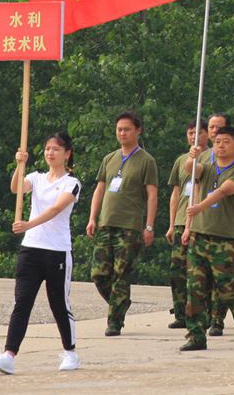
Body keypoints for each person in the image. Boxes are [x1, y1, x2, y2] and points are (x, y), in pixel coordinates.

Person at [0, 133, 82, 375]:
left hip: (57, 251)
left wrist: (29, 224)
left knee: (58, 303)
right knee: (22, 301)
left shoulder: (72, 183)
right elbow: (16, 188)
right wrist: (20, 165)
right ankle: (8, 355)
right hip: (31, 249)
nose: (50, 153)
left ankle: (70, 352)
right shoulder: (36, 178)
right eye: (48, 149)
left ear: (67, 153)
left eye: (56, 149)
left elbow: (56, 208)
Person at [179, 125, 234, 350]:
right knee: (195, 288)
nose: (221, 146)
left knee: (225, 286)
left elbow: (223, 191)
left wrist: (199, 207)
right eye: (217, 142)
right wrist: (192, 157)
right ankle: (196, 335)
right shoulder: (207, 168)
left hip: (223, 239)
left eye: (226, 142)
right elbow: (191, 169)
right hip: (199, 235)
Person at [86, 111, 158, 337]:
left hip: (129, 226)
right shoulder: (109, 158)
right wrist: (92, 217)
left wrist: (149, 226)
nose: (122, 133)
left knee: (121, 274)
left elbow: (152, 195)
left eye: (127, 129)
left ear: (138, 131)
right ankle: (120, 303)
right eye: (119, 129)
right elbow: (99, 189)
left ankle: (114, 322)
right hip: (106, 223)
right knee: (99, 274)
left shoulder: (146, 161)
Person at [165, 121, 208, 330]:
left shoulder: (212, 158)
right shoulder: (181, 160)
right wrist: (172, 224)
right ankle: (180, 312)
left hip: (201, 223)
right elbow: (175, 193)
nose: (194, 137)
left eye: (198, 133)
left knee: (198, 273)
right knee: (177, 270)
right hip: (181, 221)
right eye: (190, 133)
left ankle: (202, 313)